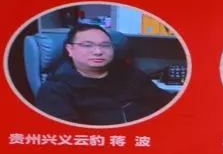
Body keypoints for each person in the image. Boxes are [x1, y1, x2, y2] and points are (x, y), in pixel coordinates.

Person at [35, 23, 174, 125]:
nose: (98, 52)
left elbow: (165, 102)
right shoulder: (54, 89)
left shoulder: (129, 73)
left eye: (105, 45)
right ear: (70, 49)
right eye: (87, 45)